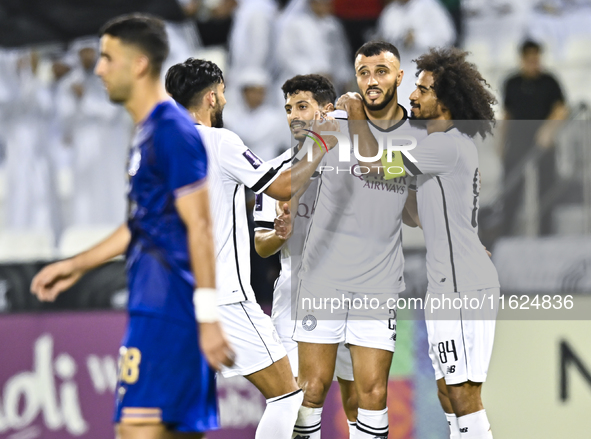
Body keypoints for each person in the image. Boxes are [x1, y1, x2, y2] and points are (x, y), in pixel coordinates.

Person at [30, 14, 234, 439]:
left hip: (170, 312)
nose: (98, 68)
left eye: (107, 58)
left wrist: (209, 318)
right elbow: (142, 224)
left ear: (139, 64)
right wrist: (77, 265)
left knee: (135, 430)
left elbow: (200, 226)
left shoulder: (172, 132)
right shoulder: (146, 133)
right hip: (155, 307)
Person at [165, 58, 339, 439]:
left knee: (184, 413)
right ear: (212, 96)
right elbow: (280, 187)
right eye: (223, 91)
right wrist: (324, 141)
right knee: (287, 394)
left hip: (173, 297)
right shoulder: (221, 142)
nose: (225, 98)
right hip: (223, 297)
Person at [342, 46, 500, 439]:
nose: (413, 95)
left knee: (463, 394)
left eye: (424, 89)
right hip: (448, 282)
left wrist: (358, 115)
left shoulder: (444, 146)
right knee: (448, 390)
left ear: (445, 101)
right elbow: (416, 215)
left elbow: (369, 164)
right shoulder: (441, 150)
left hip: (462, 284)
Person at [292, 41, 426, 439]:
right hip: (322, 277)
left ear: (399, 77)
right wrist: (285, 207)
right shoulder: (329, 121)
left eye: (381, 72)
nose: (371, 81)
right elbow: (297, 177)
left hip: (378, 282)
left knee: (373, 392)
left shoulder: (416, 132)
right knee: (312, 389)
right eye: (364, 72)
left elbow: (401, 199)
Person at [252, 74, 359, 437]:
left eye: (302, 106)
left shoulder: (360, 160)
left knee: (359, 394)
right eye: (288, 109)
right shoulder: (277, 174)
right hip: (298, 291)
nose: (293, 116)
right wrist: (279, 232)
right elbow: (260, 244)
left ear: (327, 110)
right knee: (298, 393)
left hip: (355, 288)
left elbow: (404, 173)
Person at [500, 39, 568, 236]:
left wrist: (549, 130)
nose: (533, 63)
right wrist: (501, 141)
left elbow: (561, 109)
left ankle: (546, 232)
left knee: (546, 187)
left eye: (536, 58)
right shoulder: (511, 82)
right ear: (522, 59)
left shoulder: (549, 81)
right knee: (512, 185)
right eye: (529, 59)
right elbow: (507, 113)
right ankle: (507, 231)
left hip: (542, 142)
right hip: (518, 140)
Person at [376, 0, 455, 109]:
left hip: (426, 68)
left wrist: (417, 39)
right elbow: (385, 37)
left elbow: (447, 36)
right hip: (399, 71)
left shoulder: (429, 6)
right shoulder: (390, 11)